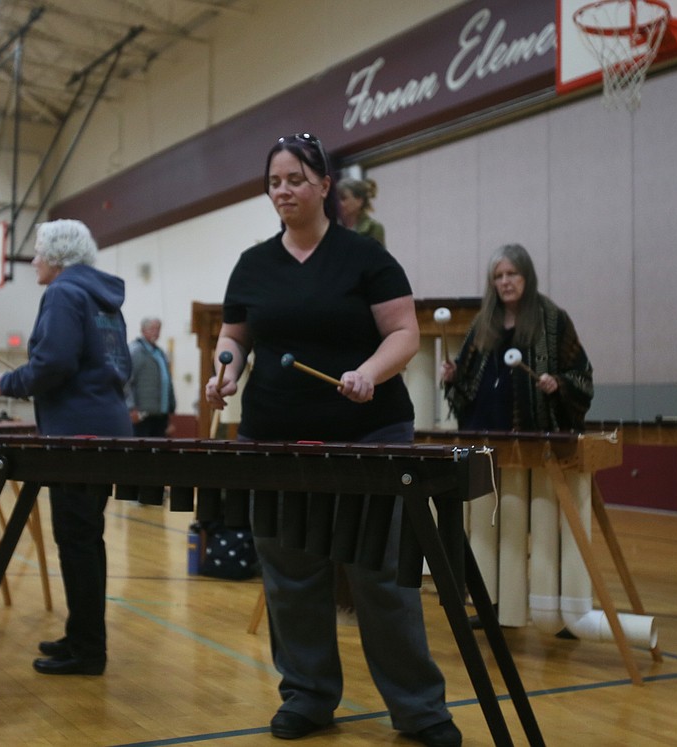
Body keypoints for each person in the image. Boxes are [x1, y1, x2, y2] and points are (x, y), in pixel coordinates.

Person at [205, 134, 461, 747]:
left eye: (295, 178)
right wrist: (227, 371)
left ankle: (420, 710)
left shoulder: (364, 257)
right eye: (274, 181)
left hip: (368, 434)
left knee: (380, 576)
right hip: (274, 436)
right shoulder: (252, 264)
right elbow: (234, 334)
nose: (283, 190)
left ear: (324, 185)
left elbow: (404, 332)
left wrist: (369, 373)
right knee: (290, 575)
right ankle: (309, 696)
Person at [0, 219, 132, 677]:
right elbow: (116, 365)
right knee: (85, 539)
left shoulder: (64, 293)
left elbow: (53, 363)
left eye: (38, 252)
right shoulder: (103, 297)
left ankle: (89, 650)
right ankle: (82, 634)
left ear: (58, 255)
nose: (34, 260)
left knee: (77, 539)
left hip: (76, 434)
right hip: (104, 426)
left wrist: (9, 382)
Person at [442, 244, 594, 432]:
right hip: (479, 432)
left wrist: (558, 383)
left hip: (531, 439)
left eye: (512, 273)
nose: (505, 281)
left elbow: (582, 377)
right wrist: (453, 374)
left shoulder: (553, 320)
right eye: (498, 276)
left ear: (527, 277)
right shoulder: (483, 322)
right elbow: (465, 381)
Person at [126, 317, 176, 437]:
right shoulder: (135, 351)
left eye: (158, 329)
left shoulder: (160, 353)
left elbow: (167, 381)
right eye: (152, 329)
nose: (156, 332)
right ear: (143, 330)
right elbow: (127, 381)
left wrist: (171, 407)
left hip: (160, 414)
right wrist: (131, 407)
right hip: (141, 415)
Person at [337, 176, 385, 246]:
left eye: (343, 199)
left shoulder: (373, 228)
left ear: (359, 201)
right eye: (337, 200)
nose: (339, 204)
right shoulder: (333, 230)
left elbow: (378, 256)